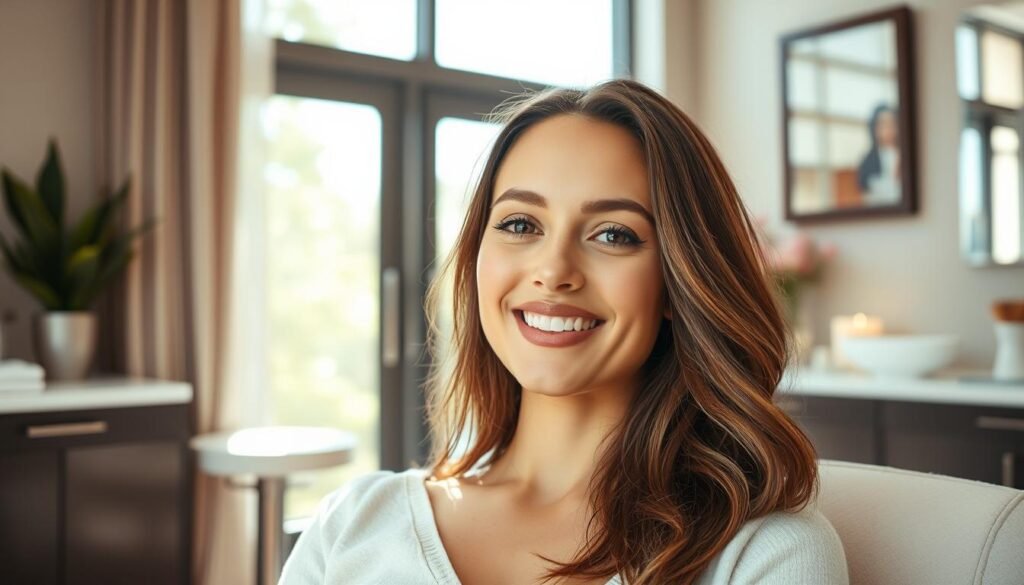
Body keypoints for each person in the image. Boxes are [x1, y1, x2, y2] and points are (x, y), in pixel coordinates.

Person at [278, 79, 849, 585]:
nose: (553, 271)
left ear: (679, 281)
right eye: (520, 224)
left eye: (613, 234)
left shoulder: (762, 556)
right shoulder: (351, 524)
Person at [856, 103, 901, 204]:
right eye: (883, 124)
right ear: (874, 128)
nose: (888, 129)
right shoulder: (868, 160)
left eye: (892, 124)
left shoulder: (904, 156)